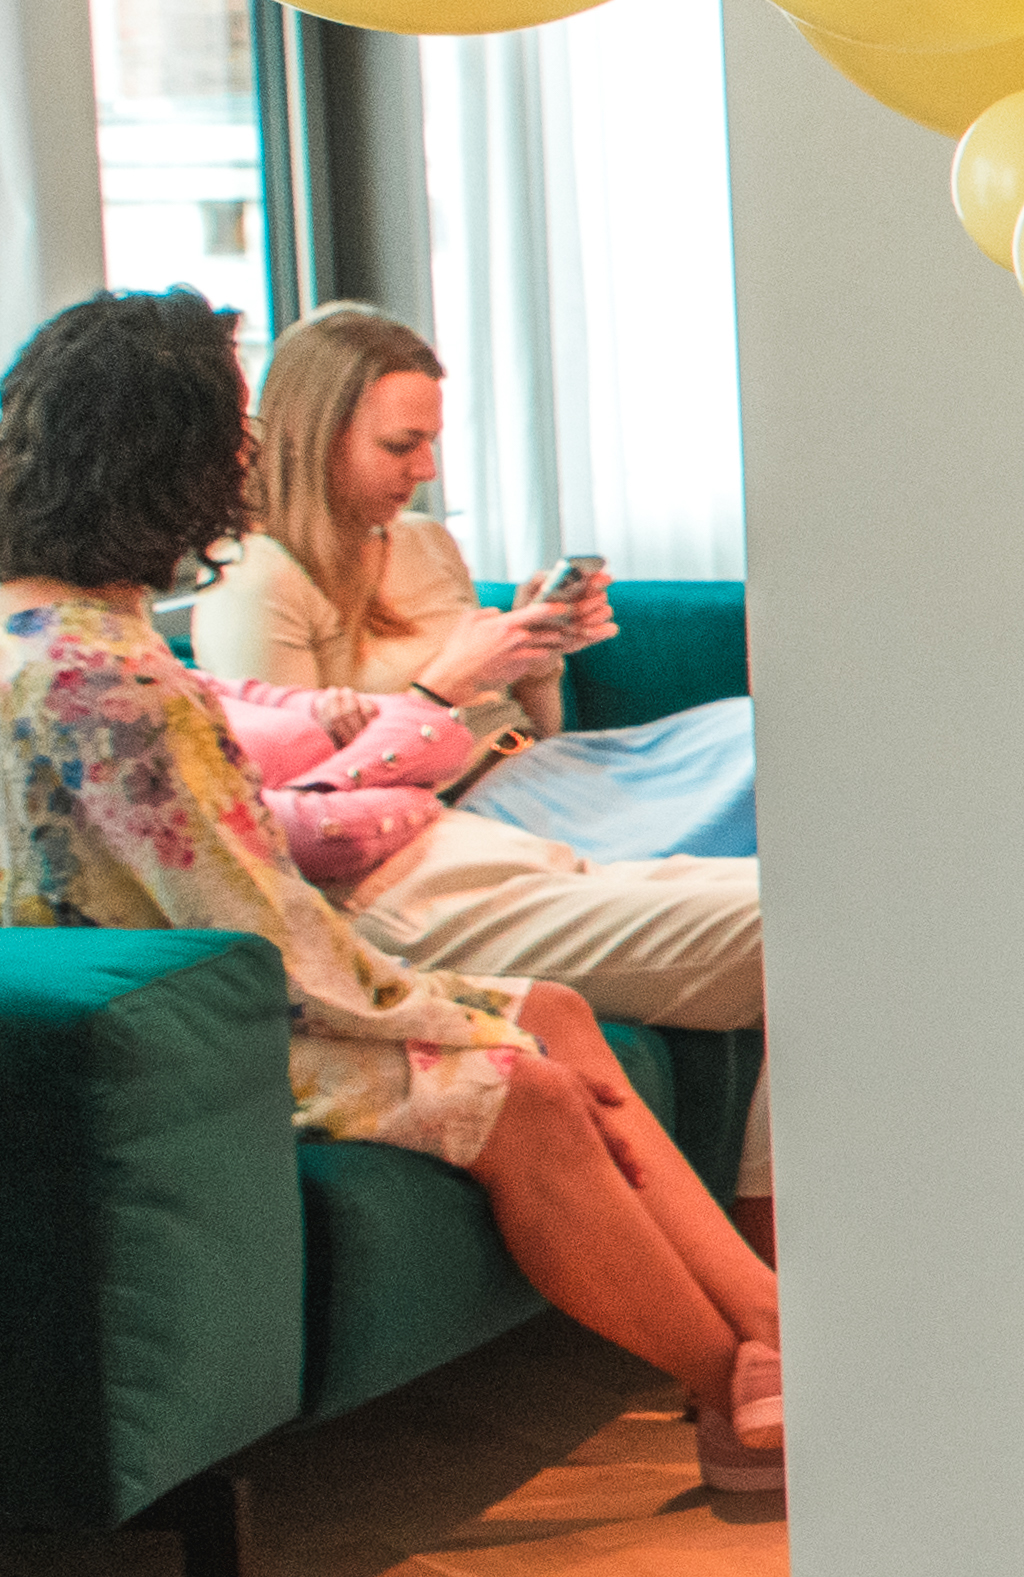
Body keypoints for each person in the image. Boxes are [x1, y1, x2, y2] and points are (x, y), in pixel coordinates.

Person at [0, 293, 782, 1503]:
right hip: (135, 1027)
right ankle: (734, 1392)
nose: (245, 459)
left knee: (555, 1008)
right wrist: (463, 1021)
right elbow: (277, 939)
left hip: (120, 981)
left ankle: (774, 1328)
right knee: (520, 1086)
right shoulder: (104, 679)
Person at [170, 303, 771, 1185]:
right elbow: (309, 795)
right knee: (770, 808)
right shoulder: (255, 580)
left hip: (535, 771)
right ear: (315, 435)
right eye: (399, 445)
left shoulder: (419, 542)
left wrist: (534, 666)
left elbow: (525, 735)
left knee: (755, 731)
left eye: (432, 443)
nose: (424, 470)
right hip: (434, 821)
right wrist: (445, 682)